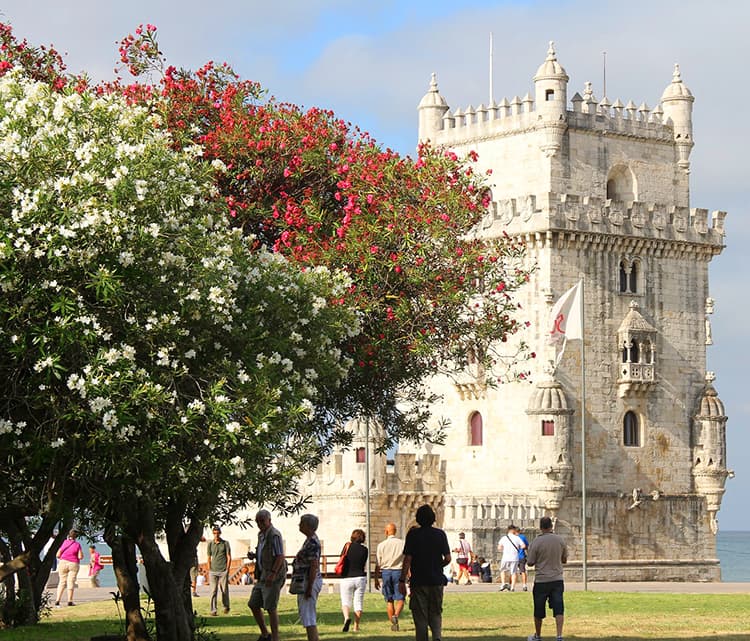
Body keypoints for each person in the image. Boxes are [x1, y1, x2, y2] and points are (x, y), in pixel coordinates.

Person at [399, 504, 450, 641]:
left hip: (419, 580)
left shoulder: (413, 535)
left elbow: (407, 559)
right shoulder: (440, 534)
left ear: (418, 519)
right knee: (436, 612)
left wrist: (402, 580)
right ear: (433, 518)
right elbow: (448, 558)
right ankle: (437, 637)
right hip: (436, 580)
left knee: (420, 615)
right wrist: (437, 565)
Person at [526, 516, 568, 641]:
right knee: (559, 608)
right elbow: (564, 559)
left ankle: (538, 635)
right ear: (551, 526)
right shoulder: (560, 540)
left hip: (541, 580)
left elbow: (530, 562)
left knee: (539, 608)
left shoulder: (536, 542)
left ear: (540, 527)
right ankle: (559, 635)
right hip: (557, 579)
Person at [249, 510, 288, 641]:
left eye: (262, 521)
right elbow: (264, 552)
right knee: (253, 604)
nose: (260, 524)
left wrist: (273, 573)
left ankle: (275, 638)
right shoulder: (261, 535)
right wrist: (254, 556)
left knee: (271, 607)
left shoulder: (274, 535)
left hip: (273, 575)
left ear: (269, 520)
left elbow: (280, 556)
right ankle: (265, 634)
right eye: (258, 521)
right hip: (262, 575)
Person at [293, 514, 323, 641]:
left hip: (308, 581)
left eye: (301, 523)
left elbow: (313, 565)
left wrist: (309, 587)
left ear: (308, 526)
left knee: (308, 615)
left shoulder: (312, 543)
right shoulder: (309, 540)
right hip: (305, 580)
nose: (299, 525)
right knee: (306, 615)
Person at [373, 522, 405, 631]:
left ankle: (393, 623)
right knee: (400, 598)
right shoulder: (402, 543)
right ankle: (396, 615)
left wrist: (376, 578)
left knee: (389, 599)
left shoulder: (381, 545)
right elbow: (406, 560)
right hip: (398, 571)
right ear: (395, 531)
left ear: (386, 532)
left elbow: (378, 563)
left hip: (386, 572)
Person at [339, 529, 368, 632]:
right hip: (360, 577)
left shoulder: (347, 546)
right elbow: (363, 563)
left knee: (346, 601)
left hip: (347, 577)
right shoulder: (365, 549)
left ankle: (346, 618)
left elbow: (342, 559)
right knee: (358, 602)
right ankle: (356, 626)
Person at [207, 525, 232, 615]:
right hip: (213, 570)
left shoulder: (225, 543)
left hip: (223, 570)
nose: (216, 535)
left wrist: (227, 569)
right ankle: (213, 610)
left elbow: (229, 557)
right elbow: (209, 557)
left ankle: (226, 606)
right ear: (213, 534)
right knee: (213, 590)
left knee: (224, 590)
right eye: (214, 533)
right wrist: (209, 568)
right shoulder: (210, 544)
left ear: (220, 533)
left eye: (217, 533)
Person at [55, 529, 83, 607]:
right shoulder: (77, 545)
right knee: (71, 582)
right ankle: (70, 601)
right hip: (73, 563)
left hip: (63, 563)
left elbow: (57, 555)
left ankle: (57, 600)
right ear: (76, 537)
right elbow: (80, 556)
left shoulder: (64, 543)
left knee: (62, 582)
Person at [497, 523, 525, 592]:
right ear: (513, 530)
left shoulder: (504, 538)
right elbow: (523, 546)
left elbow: (499, 547)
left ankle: (503, 583)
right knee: (513, 572)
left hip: (506, 557)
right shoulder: (517, 538)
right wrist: (518, 548)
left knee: (503, 570)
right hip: (514, 557)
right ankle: (512, 587)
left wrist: (504, 548)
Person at [517, 526, 531, 591]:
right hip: (521, 556)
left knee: (512, 571)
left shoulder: (512, 537)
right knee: (523, 571)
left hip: (513, 557)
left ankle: (511, 585)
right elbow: (527, 546)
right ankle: (524, 585)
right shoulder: (522, 537)